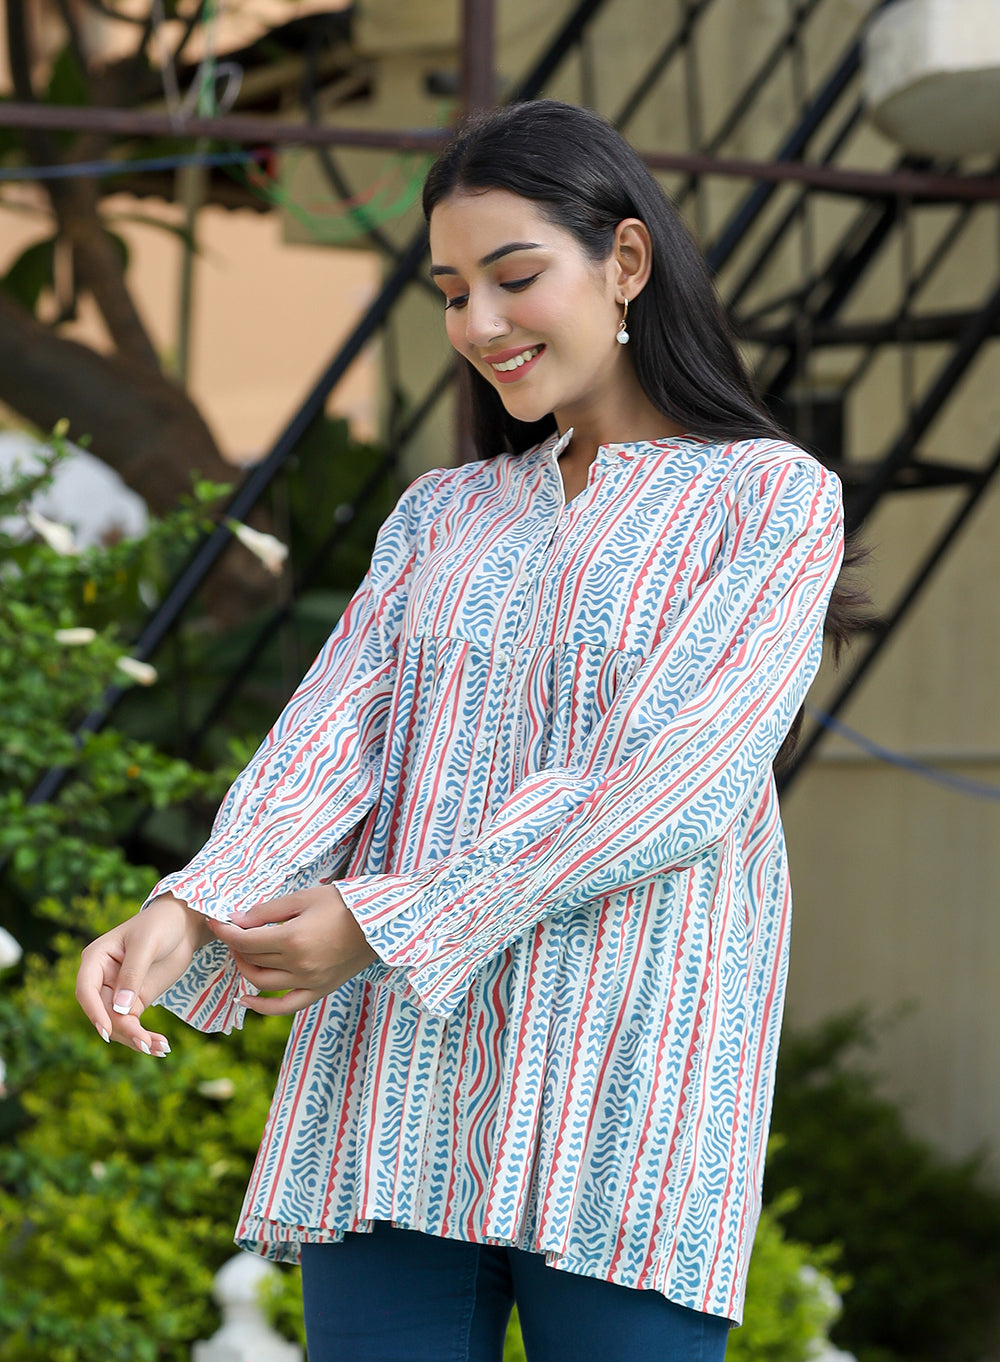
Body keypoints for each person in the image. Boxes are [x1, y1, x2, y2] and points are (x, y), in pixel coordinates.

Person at [77, 99, 852, 1362]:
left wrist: (385, 920)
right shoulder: (442, 515)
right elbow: (330, 741)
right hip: (394, 1086)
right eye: (450, 291)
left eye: (513, 277)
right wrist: (191, 907)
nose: (479, 324)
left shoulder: (769, 500)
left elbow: (668, 780)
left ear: (626, 262)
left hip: (625, 1088)